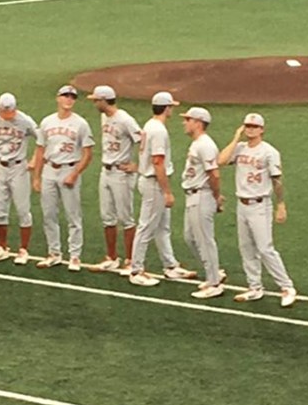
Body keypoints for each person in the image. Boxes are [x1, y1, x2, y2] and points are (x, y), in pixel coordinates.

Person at [218, 113, 297, 307]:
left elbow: (277, 180)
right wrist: (236, 138)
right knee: (246, 247)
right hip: (242, 204)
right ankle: (254, 287)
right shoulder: (240, 148)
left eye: (254, 126)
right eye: (247, 125)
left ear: (262, 129)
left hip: (260, 204)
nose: (250, 129)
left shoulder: (269, 152)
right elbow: (221, 160)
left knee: (265, 248)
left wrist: (280, 204)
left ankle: (287, 287)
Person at [126, 92, 198, 286]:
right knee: (147, 226)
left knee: (162, 227)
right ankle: (136, 270)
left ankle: (170, 266)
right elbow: (158, 161)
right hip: (153, 183)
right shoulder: (158, 130)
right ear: (167, 108)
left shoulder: (150, 126)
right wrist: (167, 191)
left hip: (150, 179)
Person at [32, 85, 94, 270]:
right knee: (48, 214)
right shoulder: (47, 122)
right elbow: (40, 150)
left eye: (72, 97)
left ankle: (75, 256)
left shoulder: (81, 124)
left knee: (73, 216)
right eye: (65, 96)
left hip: (69, 169)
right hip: (49, 170)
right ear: (58, 98)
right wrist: (36, 177)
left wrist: (75, 174)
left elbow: (88, 153)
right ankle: (54, 253)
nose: (69, 99)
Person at [85, 85, 140, 272]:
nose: (94, 103)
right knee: (107, 216)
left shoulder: (125, 119)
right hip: (106, 171)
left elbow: (143, 140)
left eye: (96, 100)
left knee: (126, 218)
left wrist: (137, 165)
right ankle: (111, 258)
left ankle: (131, 260)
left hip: (121, 173)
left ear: (103, 100)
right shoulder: (104, 117)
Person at [0, 93, 37, 263]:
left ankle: (23, 250)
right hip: (0, 166)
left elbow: (42, 138)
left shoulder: (25, 120)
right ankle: (2, 247)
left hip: (19, 167)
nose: (7, 116)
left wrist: (34, 160)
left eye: (10, 112)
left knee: (22, 210)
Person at [181, 107, 226, 299]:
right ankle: (213, 272)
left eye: (188, 120)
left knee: (204, 240)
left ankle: (215, 282)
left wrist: (217, 197)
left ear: (198, 123)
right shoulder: (198, 143)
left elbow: (214, 174)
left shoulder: (205, 145)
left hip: (201, 196)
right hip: (193, 195)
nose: (184, 122)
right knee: (190, 237)